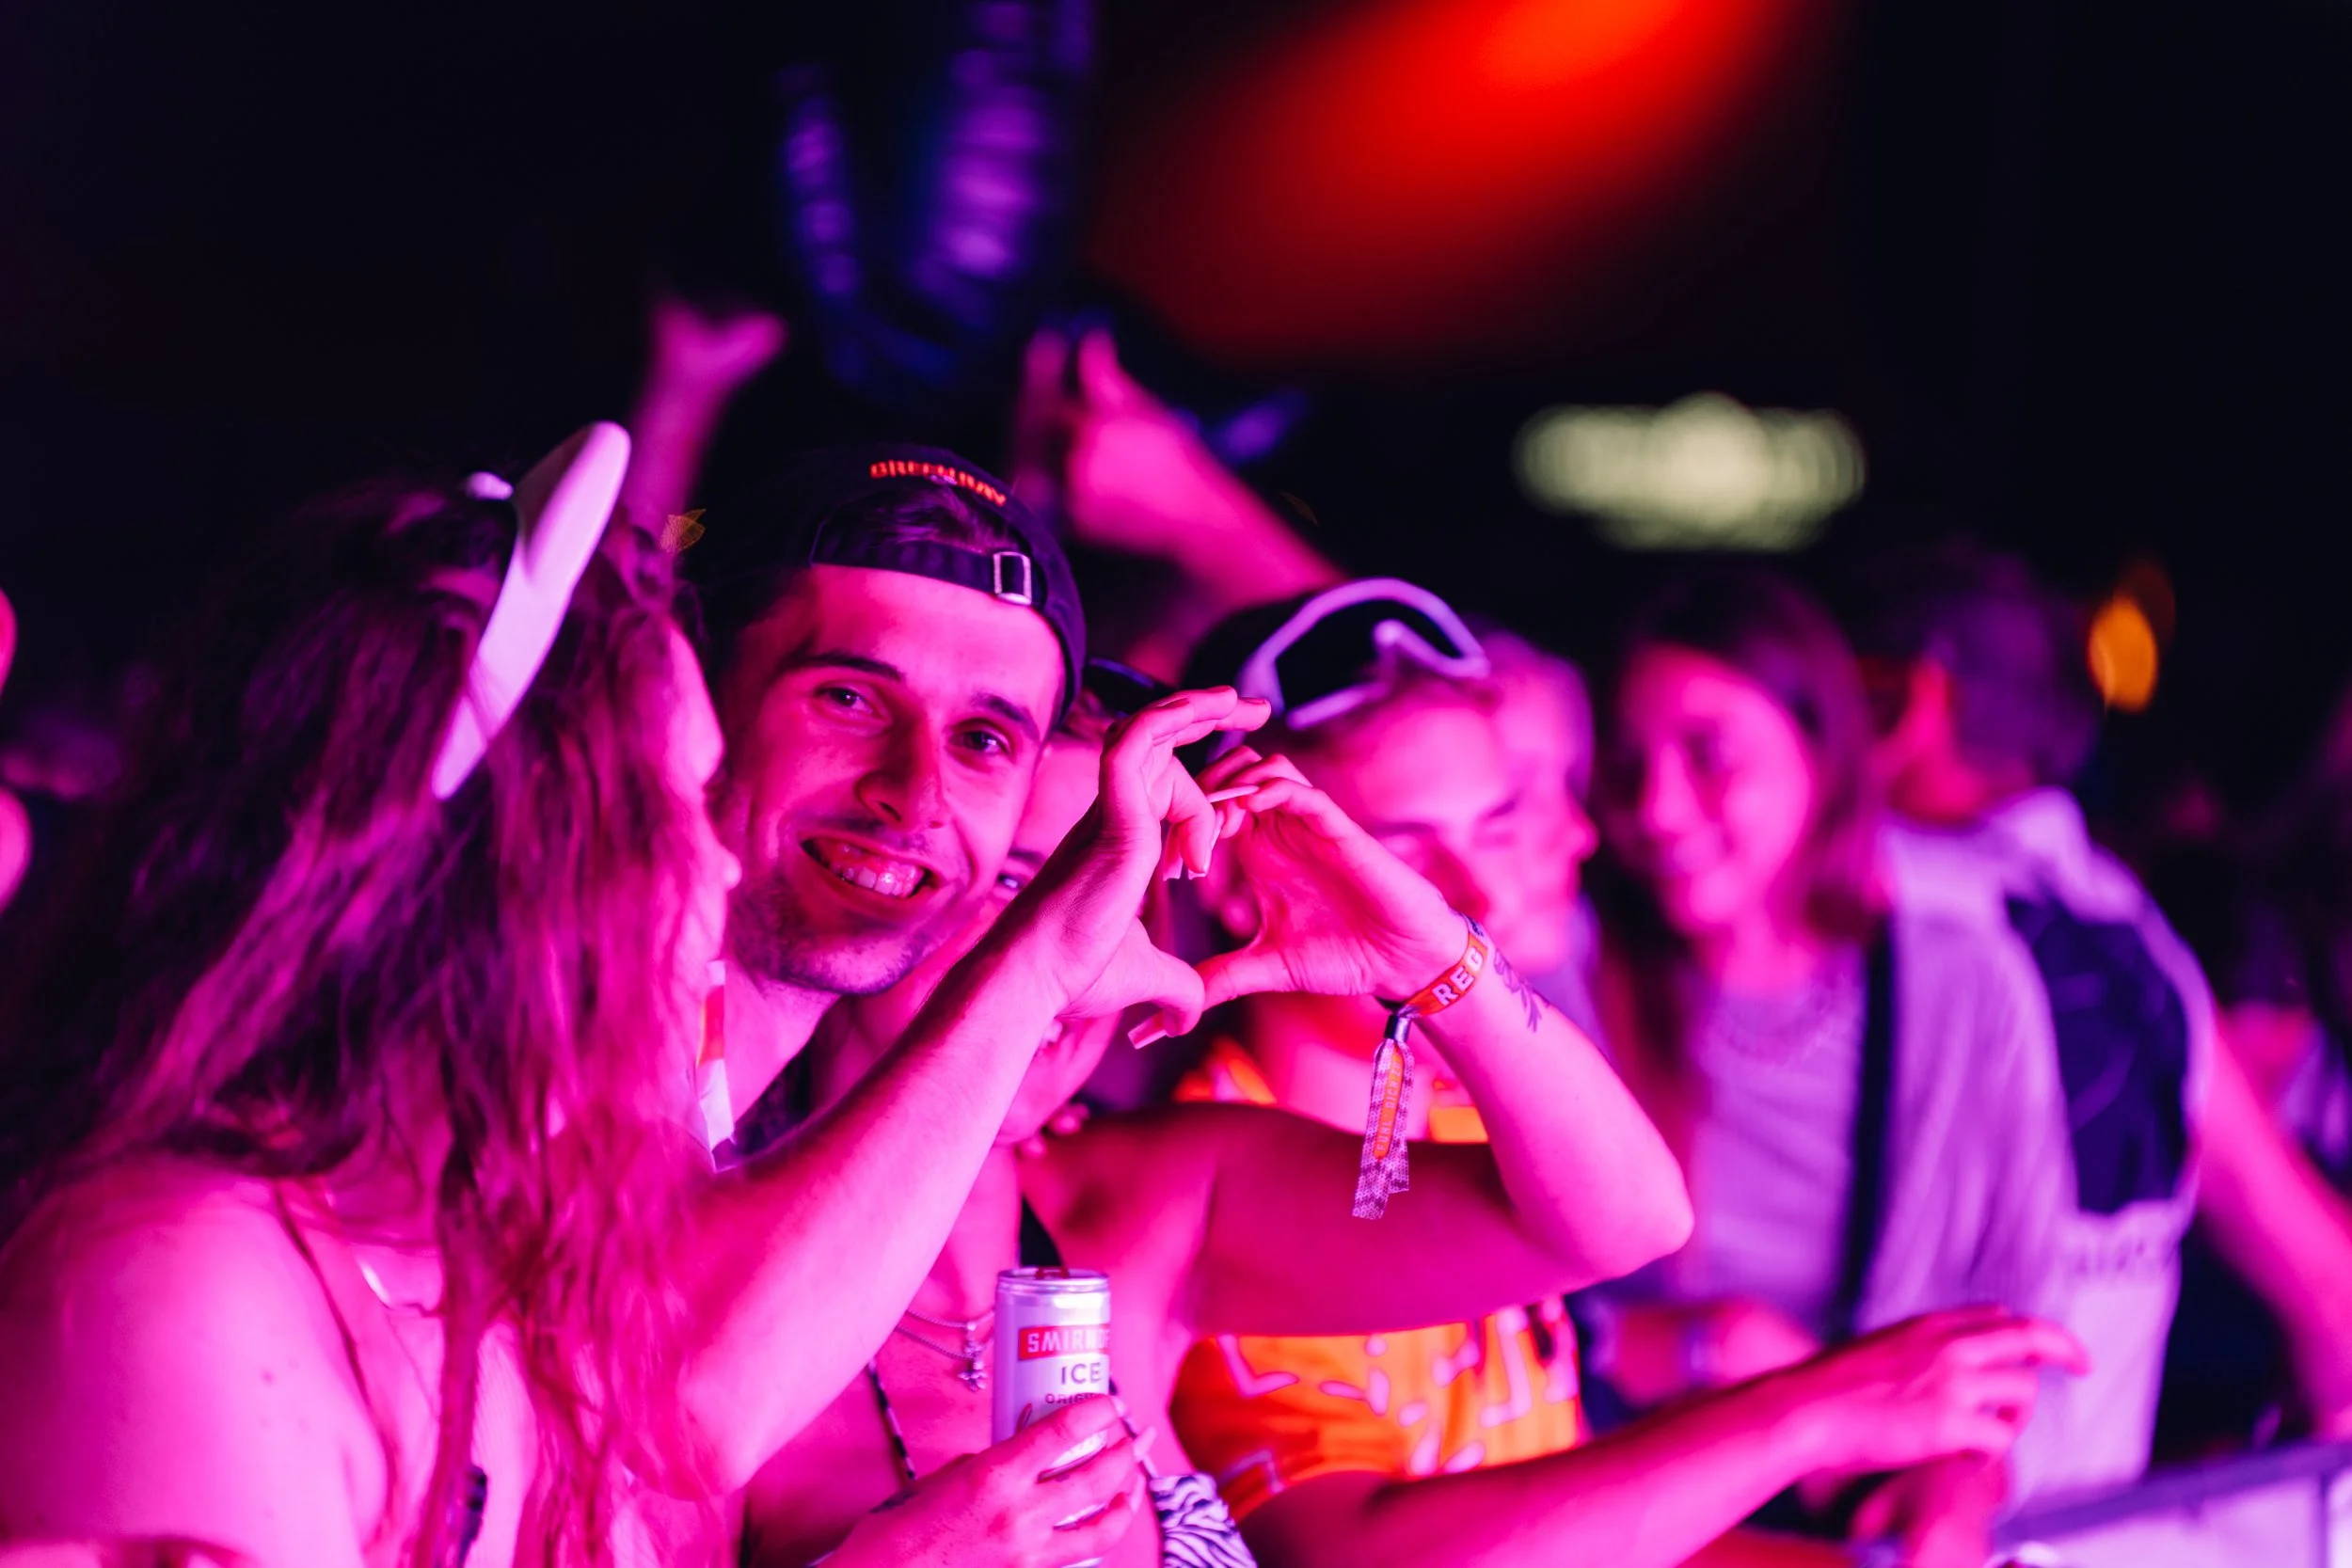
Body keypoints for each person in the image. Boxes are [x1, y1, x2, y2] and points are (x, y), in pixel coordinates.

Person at [0, 429, 1234, 1566]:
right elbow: (699, 1403)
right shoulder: (189, 1278)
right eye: (666, 809)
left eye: (984, 737)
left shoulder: (488, 1231)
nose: (710, 867)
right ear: (503, 851)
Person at [721, 629, 1702, 1559]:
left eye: (1113, 892)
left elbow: (1627, 1222)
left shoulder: (1146, 1203)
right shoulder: (720, 1284)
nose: (1076, 954)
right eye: (1022, 886)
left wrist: (1429, 958)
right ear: (891, 882)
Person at [1162, 581, 2085, 1568]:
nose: (1474, 897)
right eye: (1401, 853)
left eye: (1499, 825)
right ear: (1233, 880)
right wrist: (1812, 1413)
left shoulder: (1464, 1112)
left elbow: (1581, 1529)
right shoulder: (1214, 1173)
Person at [1582, 564, 2078, 1568]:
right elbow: (1499, 1333)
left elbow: (2020, 1318)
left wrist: (1957, 1483)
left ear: (1822, 752)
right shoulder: (1574, 979)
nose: (1658, 807)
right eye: (1628, 764)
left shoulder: (1964, 986)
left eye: (1708, 755)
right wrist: (1711, 1342)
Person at [1854, 546, 2352, 1470]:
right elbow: (2326, 1283)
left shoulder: (1870, 896)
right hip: (2086, 1515)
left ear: (1903, 701)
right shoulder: (2129, 926)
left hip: (1882, 1511)